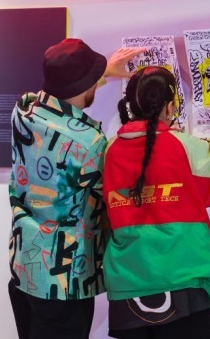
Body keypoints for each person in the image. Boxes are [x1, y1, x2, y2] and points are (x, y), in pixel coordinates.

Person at [102, 65, 210, 339]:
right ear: (170, 106)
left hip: (127, 285)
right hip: (181, 279)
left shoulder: (110, 149)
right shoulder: (182, 145)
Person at [7, 37, 145, 339]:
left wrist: (100, 74)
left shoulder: (23, 111)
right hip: (63, 282)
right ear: (85, 84)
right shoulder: (89, 143)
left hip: (25, 267)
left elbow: (55, 102)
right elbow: (111, 199)